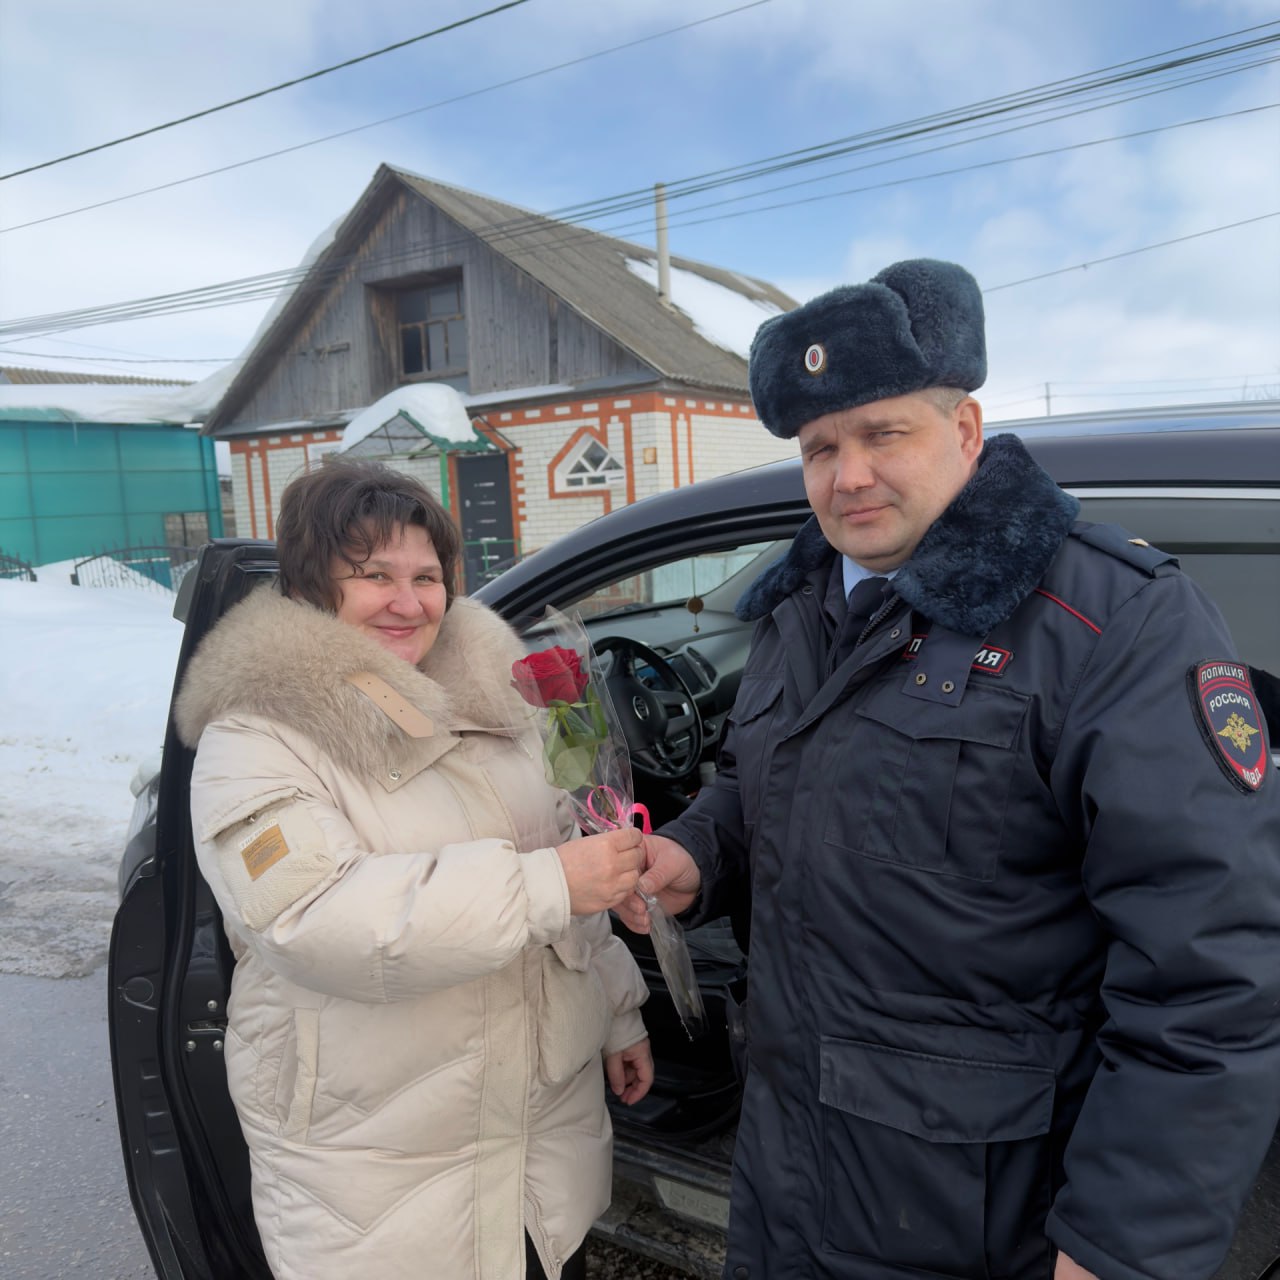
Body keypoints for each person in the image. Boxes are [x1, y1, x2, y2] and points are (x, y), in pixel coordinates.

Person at [619, 259, 1280, 1280]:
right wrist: (698, 850)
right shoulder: (798, 609)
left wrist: (1120, 1249)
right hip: (791, 1177)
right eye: (820, 447)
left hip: (981, 1221)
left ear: (964, 430)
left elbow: (1208, 977)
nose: (847, 475)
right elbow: (762, 781)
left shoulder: (1109, 623)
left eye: (883, 433)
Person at [174, 458, 653, 1280]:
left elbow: (564, 878)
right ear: (311, 584)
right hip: (382, 1190)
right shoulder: (255, 738)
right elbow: (313, 919)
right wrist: (549, 884)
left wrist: (618, 1014)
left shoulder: (495, 709)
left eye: (426, 577)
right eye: (374, 576)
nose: (409, 602)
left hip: (536, 1167)